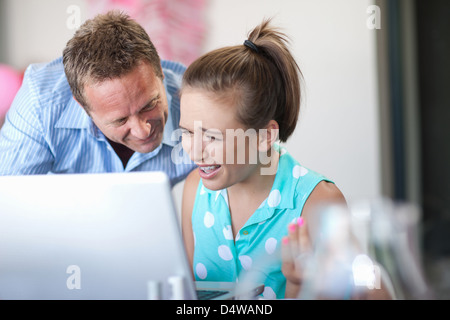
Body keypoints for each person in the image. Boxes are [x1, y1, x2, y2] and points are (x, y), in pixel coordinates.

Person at [178, 19, 347, 299]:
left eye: (212, 137)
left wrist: (298, 286)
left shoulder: (317, 203)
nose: (194, 152)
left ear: (265, 136)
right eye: (186, 132)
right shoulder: (193, 189)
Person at [0, 11, 195, 186]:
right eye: (120, 120)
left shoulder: (198, 98)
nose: (142, 131)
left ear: (160, 71)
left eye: (149, 105)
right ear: (82, 105)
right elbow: (8, 206)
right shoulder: (41, 104)